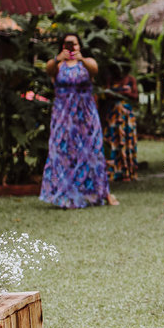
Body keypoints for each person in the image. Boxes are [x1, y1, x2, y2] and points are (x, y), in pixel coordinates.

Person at [40, 32, 117, 208]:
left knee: (91, 153)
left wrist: (81, 58)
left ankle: (94, 194)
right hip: (63, 116)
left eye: (74, 44)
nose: (71, 47)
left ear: (80, 46)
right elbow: (49, 70)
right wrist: (58, 58)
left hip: (86, 116)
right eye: (67, 44)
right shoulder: (58, 65)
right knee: (62, 153)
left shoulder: (87, 63)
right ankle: (63, 195)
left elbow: (94, 70)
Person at [105, 65, 139, 182]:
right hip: (113, 115)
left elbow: (136, 96)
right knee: (114, 142)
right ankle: (115, 172)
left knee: (127, 142)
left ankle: (128, 172)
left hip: (126, 116)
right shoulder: (110, 79)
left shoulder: (131, 80)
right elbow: (106, 93)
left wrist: (125, 93)